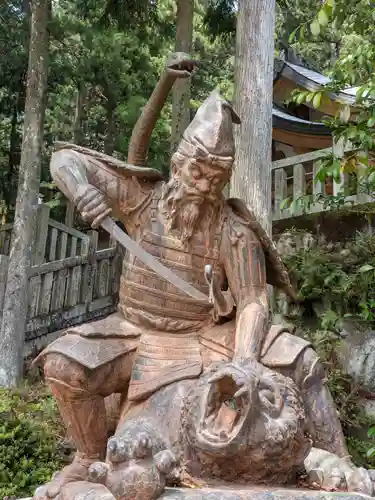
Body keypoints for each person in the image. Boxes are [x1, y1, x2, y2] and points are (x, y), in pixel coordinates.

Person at [34, 90, 347, 499]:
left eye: (216, 180)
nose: (203, 186)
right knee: (63, 364)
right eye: (197, 173)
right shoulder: (142, 200)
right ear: (178, 163)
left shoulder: (234, 232)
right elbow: (65, 159)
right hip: (135, 330)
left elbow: (253, 299)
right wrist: (81, 191)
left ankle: (336, 459)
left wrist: (245, 360)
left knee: (301, 357)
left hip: (205, 335)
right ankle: (86, 459)